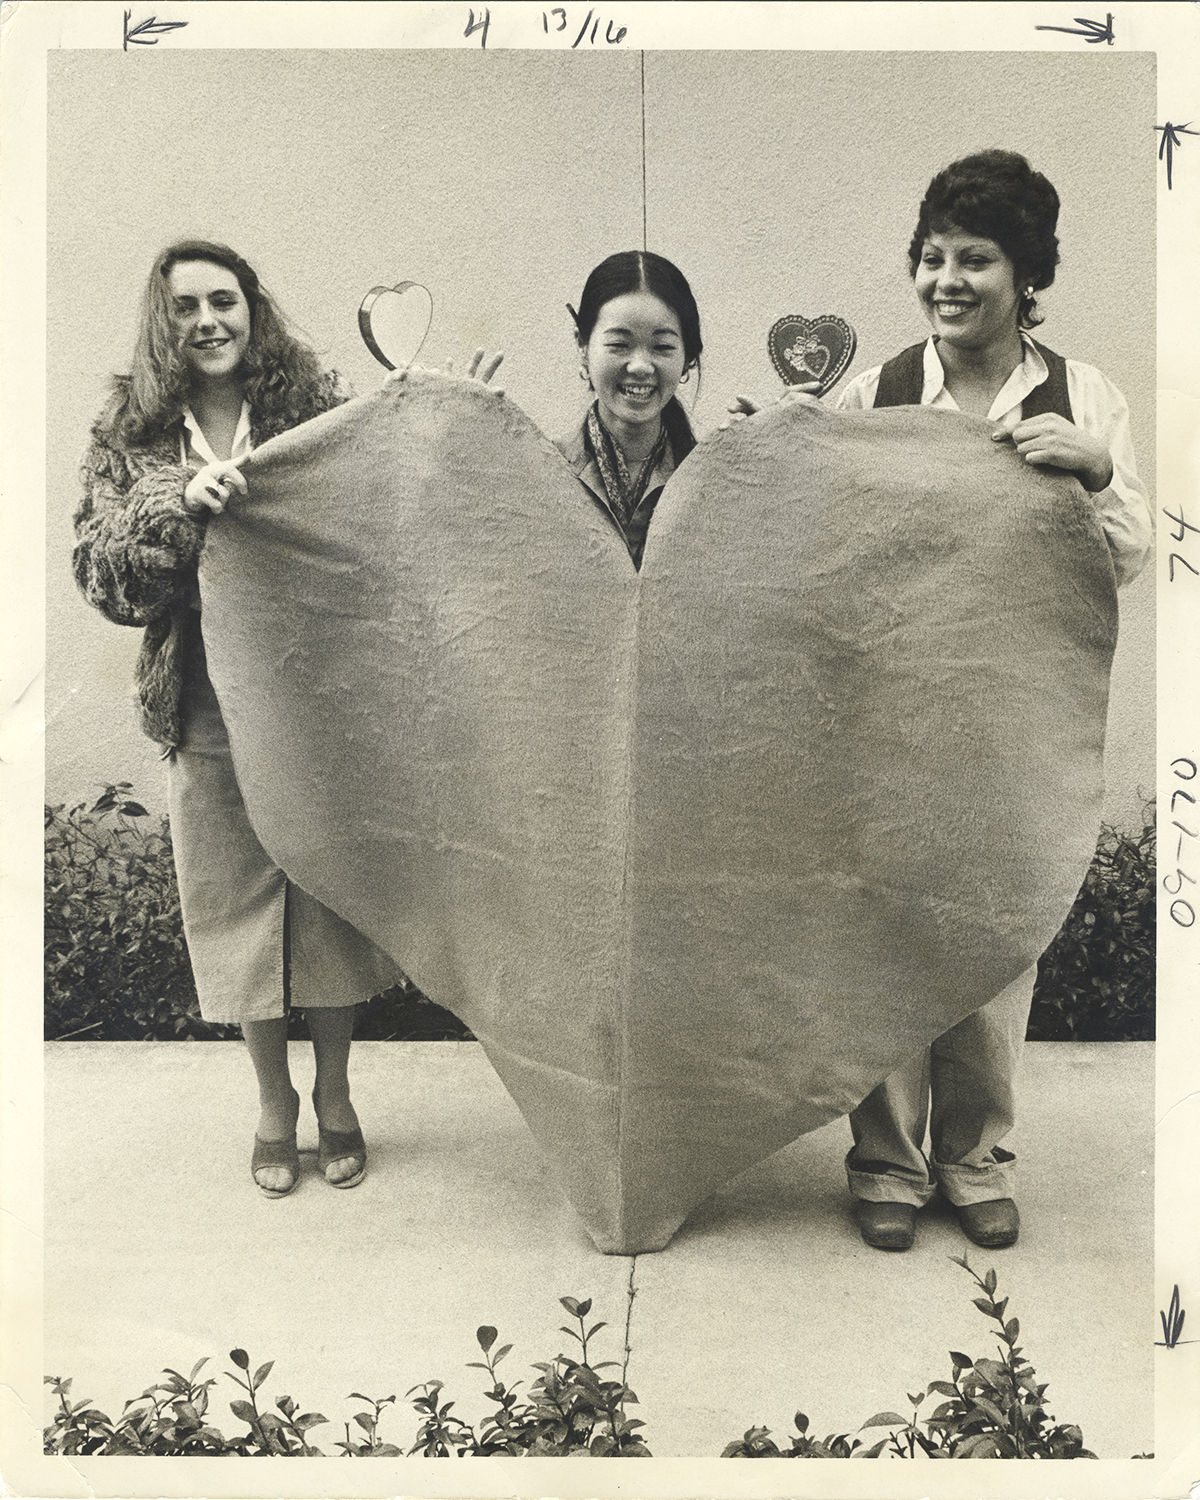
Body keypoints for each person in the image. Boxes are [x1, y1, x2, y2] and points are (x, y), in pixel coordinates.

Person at [71, 241, 501, 1199]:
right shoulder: (132, 436)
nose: (208, 321)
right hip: (206, 705)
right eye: (186, 307)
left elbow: (387, 516)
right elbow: (100, 575)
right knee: (237, 905)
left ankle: (338, 1095)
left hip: (319, 706)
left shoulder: (311, 407)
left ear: (252, 311)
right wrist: (175, 504)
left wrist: (440, 426)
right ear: (162, 322)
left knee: (325, 896)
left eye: (224, 300)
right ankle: (275, 1107)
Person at [834, 150, 1152, 1252]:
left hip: (1017, 720)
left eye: (977, 258)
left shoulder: (1084, 396)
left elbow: (1126, 560)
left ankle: (974, 1160)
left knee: (996, 936)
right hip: (888, 718)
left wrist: (1095, 473)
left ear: (1026, 274)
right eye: (931, 257)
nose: (947, 279)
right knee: (881, 936)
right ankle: (884, 1163)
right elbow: (823, 548)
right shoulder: (873, 393)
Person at [556, 250, 702, 568]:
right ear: (583, 346)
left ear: (687, 356)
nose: (639, 366)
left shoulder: (711, 477)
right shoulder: (543, 470)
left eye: (662, 346)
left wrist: (763, 456)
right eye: (619, 345)